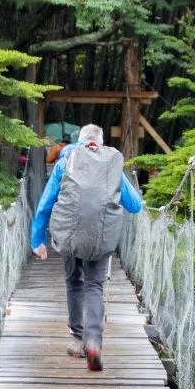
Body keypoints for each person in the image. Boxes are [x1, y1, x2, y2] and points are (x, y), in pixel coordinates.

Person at [30, 124, 143, 371]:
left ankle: (78, 337)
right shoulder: (111, 165)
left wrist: (37, 240)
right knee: (94, 285)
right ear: (100, 143)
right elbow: (135, 206)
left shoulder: (64, 162)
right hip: (101, 237)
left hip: (70, 237)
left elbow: (45, 204)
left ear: (78, 141)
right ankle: (93, 342)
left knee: (74, 282)